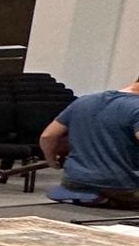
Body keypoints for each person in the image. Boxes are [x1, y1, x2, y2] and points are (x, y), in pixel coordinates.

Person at [39, 74, 139, 209]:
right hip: (121, 187)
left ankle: (101, 200)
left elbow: (48, 136)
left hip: (73, 181)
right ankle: (111, 201)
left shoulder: (85, 100)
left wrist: (51, 161)